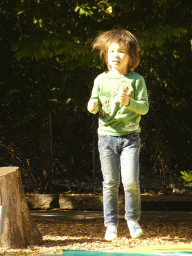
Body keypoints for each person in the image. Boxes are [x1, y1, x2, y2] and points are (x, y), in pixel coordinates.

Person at [87, 29, 149, 241]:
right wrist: (91, 106)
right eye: (112, 51)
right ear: (106, 54)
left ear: (131, 56)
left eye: (122, 51)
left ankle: (132, 220)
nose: (116, 55)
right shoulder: (100, 80)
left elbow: (144, 108)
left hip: (131, 138)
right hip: (106, 137)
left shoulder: (137, 80)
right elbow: (93, 105)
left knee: (130, 181)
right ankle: (111, 224)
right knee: (110, 182)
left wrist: (129, 102)